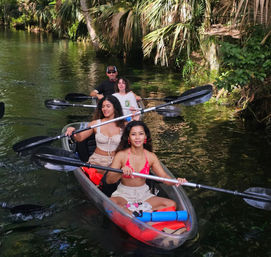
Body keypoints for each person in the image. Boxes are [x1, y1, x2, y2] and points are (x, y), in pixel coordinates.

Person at [106, 120, 187, 213]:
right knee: (111, 202)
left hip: (144, 195)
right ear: (128, 137)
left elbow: (164, 177)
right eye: (133, 134)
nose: (137, 138)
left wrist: (176, 181)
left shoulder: (151, 156)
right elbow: (109, 180)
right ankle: (145, 214)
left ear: (145, 136)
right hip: (124, 195)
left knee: (171, 204)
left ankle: (136, 214)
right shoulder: (121, 155)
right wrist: (120, 172)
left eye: (140, 134)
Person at [65, 95, 125, 174]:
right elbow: (80, 138)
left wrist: (136, 120)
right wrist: (73, 132)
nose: (105, 109)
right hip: (97, 162)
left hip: (116, 162)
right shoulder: (95, 124)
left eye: (108, 106)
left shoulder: (124, 125)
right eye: (103, 106)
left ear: (115, 107)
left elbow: (137, 137)